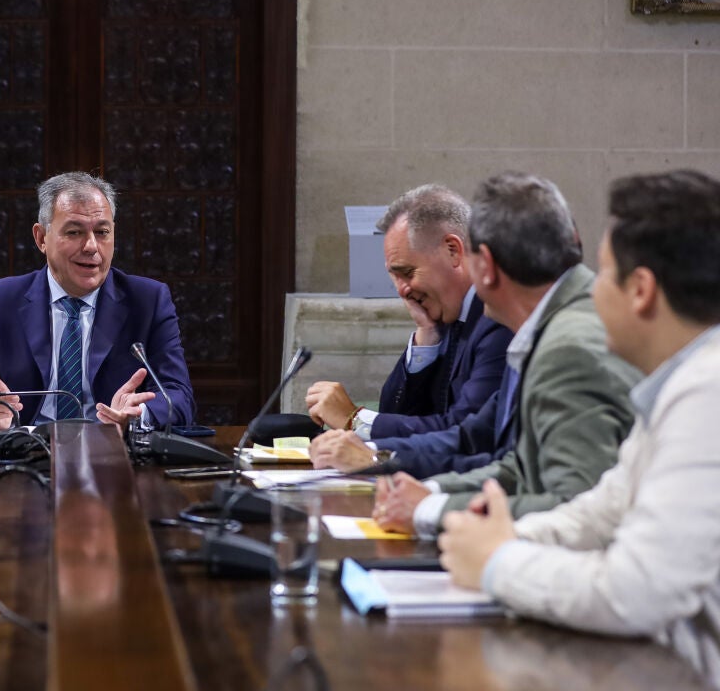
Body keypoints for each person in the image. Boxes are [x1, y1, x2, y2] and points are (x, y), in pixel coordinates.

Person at [438, 170, 720, 688]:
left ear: (641, 291)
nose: (591, 289)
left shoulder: (707, 392)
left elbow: (634, 591)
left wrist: (499, 561)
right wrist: (497, 537)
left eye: (604, 273)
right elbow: (601, 511)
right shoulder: (682, 382)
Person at [365, 172, 639, 536]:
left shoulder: (568, 347)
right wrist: (428, 492)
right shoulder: (545, 326)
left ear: (487, 267)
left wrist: (431, 509)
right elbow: (515, 465)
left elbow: (573, 503)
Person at [0, 171, 194, 430]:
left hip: (113, 448)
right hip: (23, 445)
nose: (91, 246)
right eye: (74, 232)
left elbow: (179, 396)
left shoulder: (148, 301)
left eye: (102, 232)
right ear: (41, 238)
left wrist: (137, 414)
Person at [305, 185, 511, 443]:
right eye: (394, 277)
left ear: (453, 250)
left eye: (407, 273)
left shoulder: (500, 318)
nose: (402, 290)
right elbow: (396, 415)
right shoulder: (446, 317)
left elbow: (466, 432)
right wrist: (427, 339)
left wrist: (354, 419)